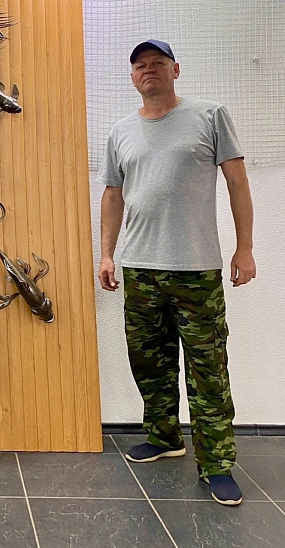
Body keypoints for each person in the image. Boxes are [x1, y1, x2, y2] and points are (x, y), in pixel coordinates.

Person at [98, 39, 256, 506]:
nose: (149, 70)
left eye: (158, 63)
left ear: (176, 70)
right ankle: (164, 437)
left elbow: (237, 182)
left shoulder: (209, 116)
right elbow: (112, 195)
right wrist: (107, 254)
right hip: (139, 268)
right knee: (150, 362)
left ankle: (217, 464)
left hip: (195, 269)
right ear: (132, 78)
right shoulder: (121, 131)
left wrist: (245, 248)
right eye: (140, 65)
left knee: (208, 370)